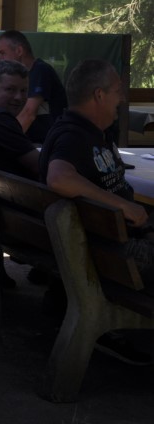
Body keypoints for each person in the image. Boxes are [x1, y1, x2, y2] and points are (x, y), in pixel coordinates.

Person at [40, 59, 154, 363]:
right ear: (99, 95)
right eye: (118, 91)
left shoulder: (88, 132)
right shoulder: (74, 136)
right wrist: (124, 205)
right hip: (113, 255)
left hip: (103, 247)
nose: (123, 98)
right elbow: (58, 178)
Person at [0, 30, 67, 143]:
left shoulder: (41, 70)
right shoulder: (22, 75)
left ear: (19, 51)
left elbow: (29, 114)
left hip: (46, 144)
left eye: (2, 53)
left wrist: (6, 141)